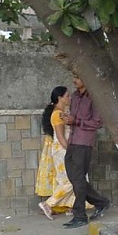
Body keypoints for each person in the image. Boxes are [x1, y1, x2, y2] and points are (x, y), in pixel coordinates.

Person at [60, 74, 110, 228]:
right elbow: (74, 118)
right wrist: (68, 119)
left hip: (84, 142)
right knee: (75, 177)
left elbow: (97, 122)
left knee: (79, 179)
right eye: (73, 77)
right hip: (73, 140)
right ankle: (100, 202)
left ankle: (80, 215)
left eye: (77, 77)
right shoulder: (75, 96)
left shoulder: (94, 97)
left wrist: (75, 121)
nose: (74, 80)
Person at [37, 86, 78, 219]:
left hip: (62, 149)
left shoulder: (61, 112)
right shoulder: (57, 114)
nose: (69, 98)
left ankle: (69, 207)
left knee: (65, 180)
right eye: (67, 96)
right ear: (60, 98)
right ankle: (49, 204)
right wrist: (70, 150)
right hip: (62, 150)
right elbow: (61, 136)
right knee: (71, 180)